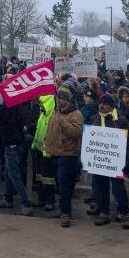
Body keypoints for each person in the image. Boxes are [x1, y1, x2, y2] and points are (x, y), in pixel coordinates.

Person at [86, 93, 129, 228]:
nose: (102, 106)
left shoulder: (121, 121)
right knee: (101, 187)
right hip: (100, 161)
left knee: (118, 188)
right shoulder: (95, 119)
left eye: (106, 104)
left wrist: (127, 160)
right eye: (101, 103)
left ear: (112, 107)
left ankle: (123, 211)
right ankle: (104, 212)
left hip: (116, 162)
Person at [44, 85, 84, 228]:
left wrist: (63, 122)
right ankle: (62, 209)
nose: (58, 100)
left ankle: (66, 213)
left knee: (65, 186)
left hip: (68, 155)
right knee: (59, 185)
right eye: (57, 98)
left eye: (60, 98)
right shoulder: (56, 112)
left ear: (67, 100)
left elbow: (76, 133)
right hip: (55, 153)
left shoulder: (76, 114)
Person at [0, 97, 34, 216]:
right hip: (17, 142)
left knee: (13, 173)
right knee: (8, 171)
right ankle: (8, 198)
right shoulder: (20, 105)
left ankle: (25, 203)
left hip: (11, 143)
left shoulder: (9, 105)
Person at [31, 94, 57, 211]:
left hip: (47, 153)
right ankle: (41, 198)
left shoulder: (53, 116)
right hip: (39, 151)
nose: (40, 104)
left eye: (42, 103)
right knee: (39, 177)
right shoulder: (42, 114)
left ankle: (50, 201)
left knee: (48, 178)